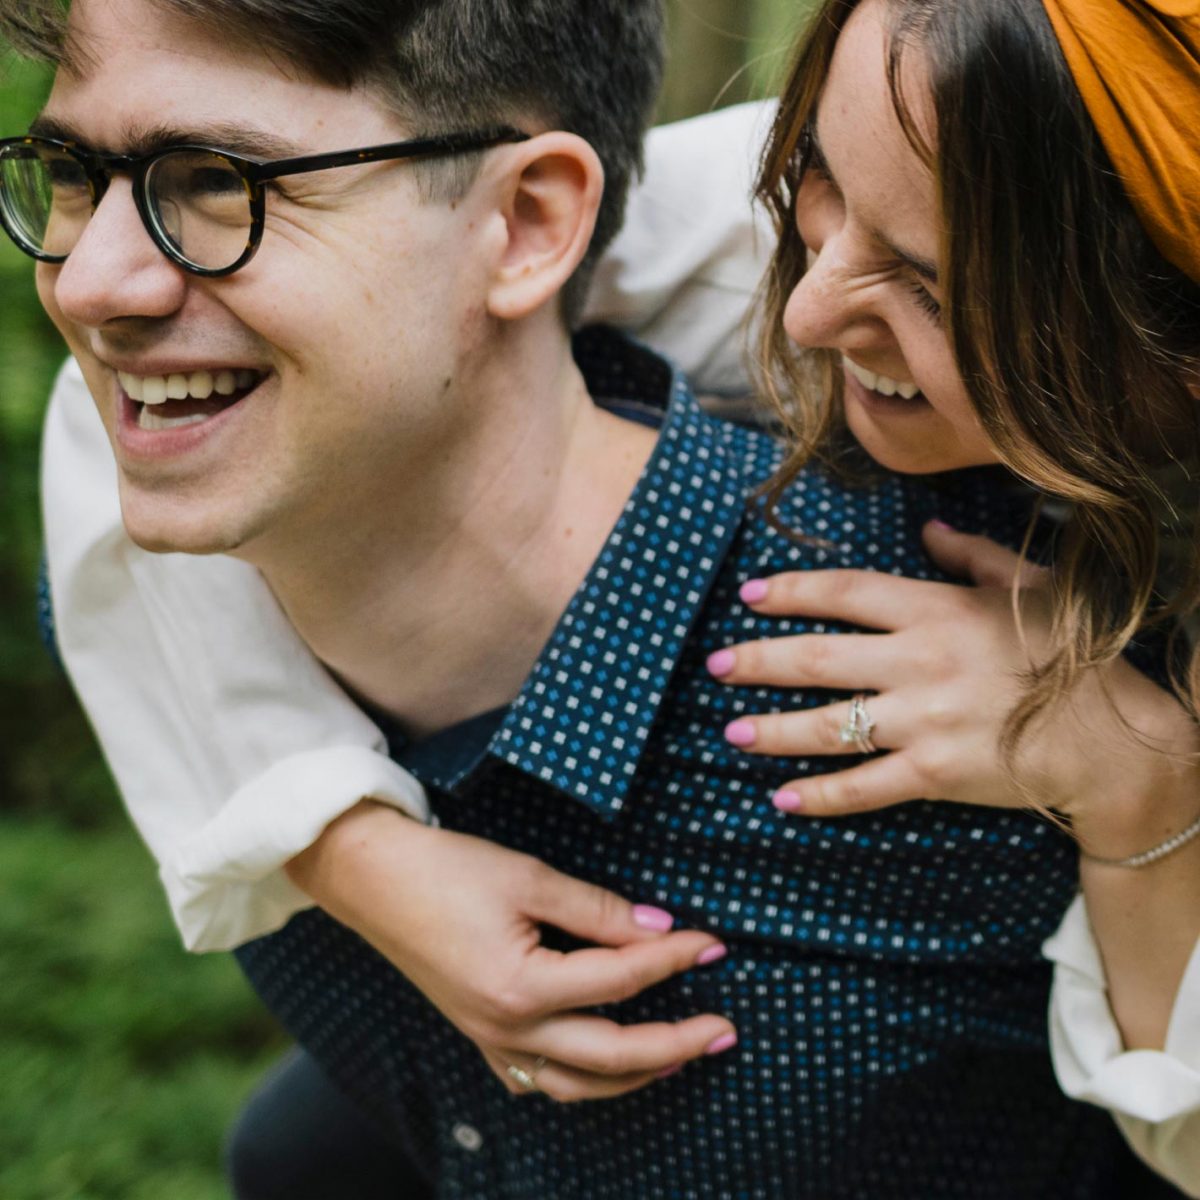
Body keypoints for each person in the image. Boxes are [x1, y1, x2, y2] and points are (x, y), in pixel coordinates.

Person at [6, 0, 1197, 1197]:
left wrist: (1144, 789)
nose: (805, 312)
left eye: (221, 181)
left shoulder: (1003, 749)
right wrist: (341, 845)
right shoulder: (143, 594)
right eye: (811, 186)